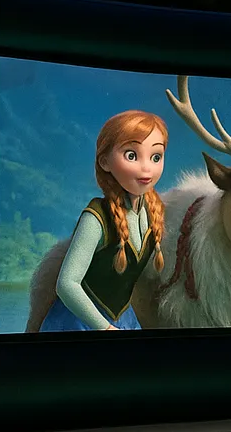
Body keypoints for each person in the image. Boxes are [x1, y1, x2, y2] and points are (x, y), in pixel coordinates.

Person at [39, 111, 168, 332]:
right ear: (105, 162)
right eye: (131, 155)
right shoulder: (96, 218)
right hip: (78, 323)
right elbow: (67, 285)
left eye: (155, 157)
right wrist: (105, 329)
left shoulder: (153, 212)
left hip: (124, 320)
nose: (147, 167)